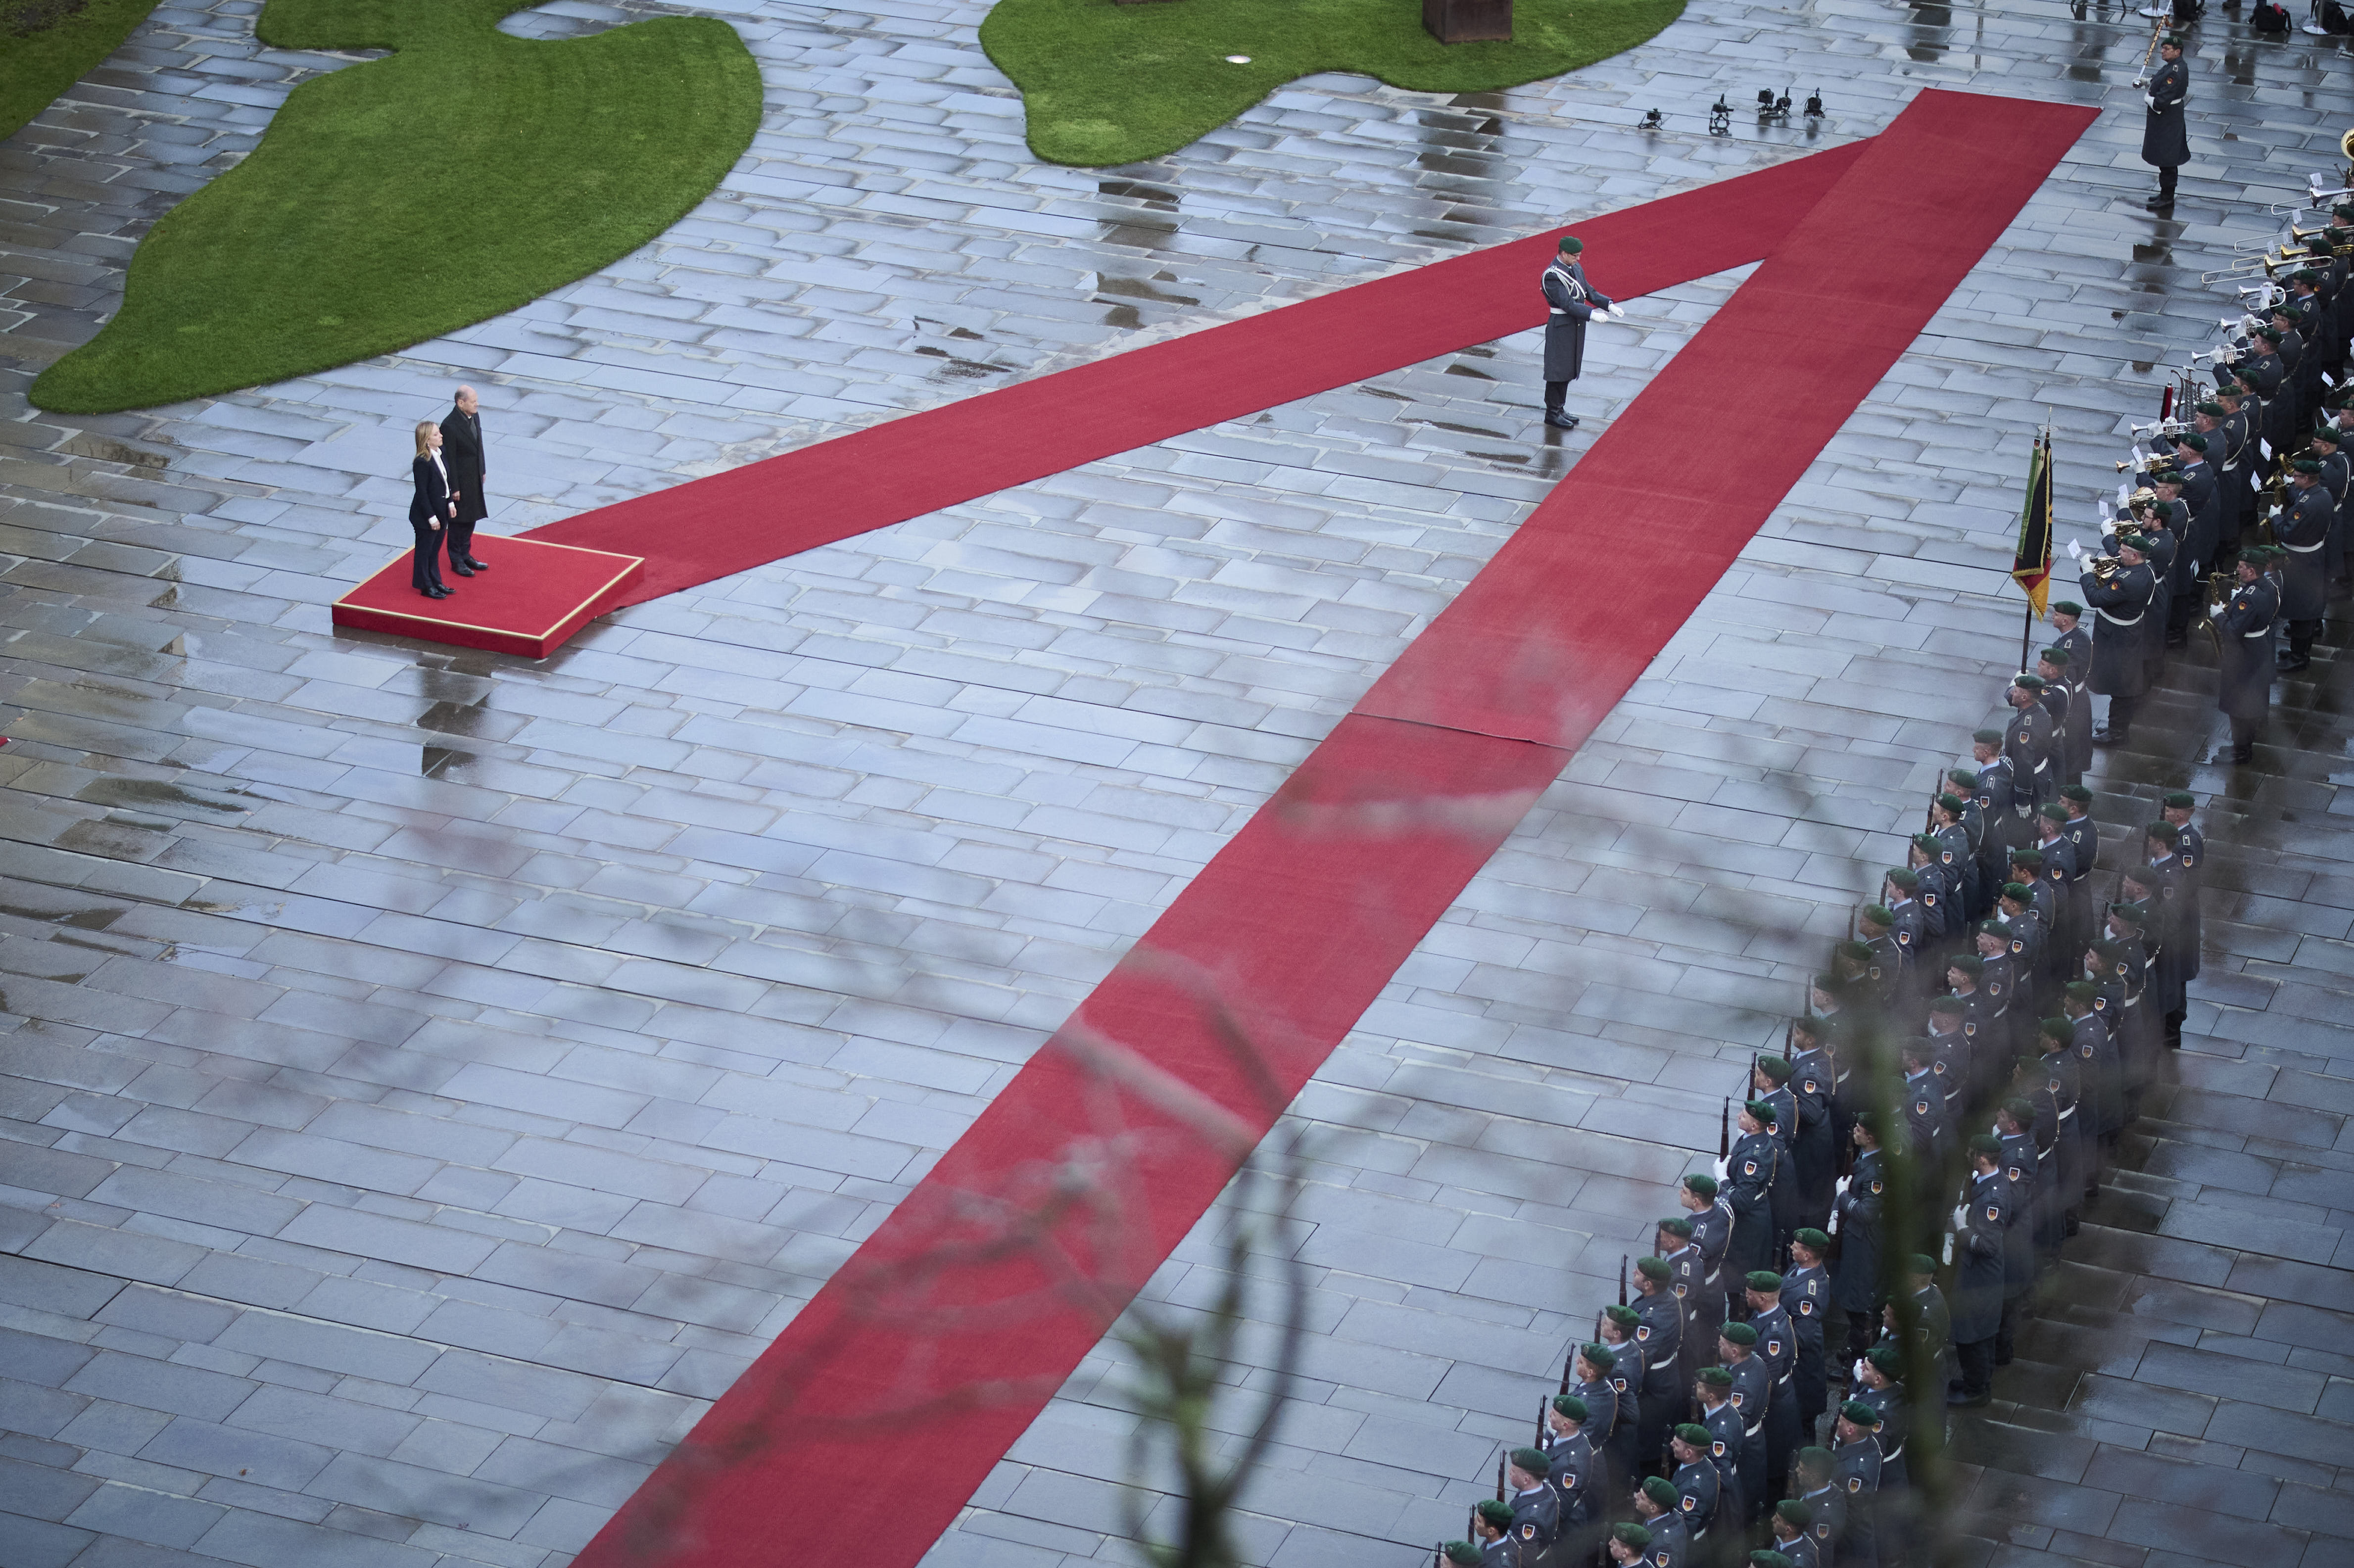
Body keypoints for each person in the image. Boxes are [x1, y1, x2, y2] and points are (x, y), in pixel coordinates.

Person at [2076, 532, 2156, 745]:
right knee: (2122, 682)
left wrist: (2087, 574)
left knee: (2122, 685)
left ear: (2134, 556)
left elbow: (2095, 599)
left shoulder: (2126, 582)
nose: (2118, 554)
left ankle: (2118, 734)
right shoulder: (2145, 570)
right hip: (2128, 631)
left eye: (2123, 552)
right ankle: (2116, 727)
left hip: (2118, 636)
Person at [1540, 235, 1614, 430]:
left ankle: (1560, 408)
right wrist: (1591, 314)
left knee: (1568, 368)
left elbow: (1587, 291)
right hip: (1561, 325)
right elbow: (1567, 304)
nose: (1578, 259)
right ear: (1563, 254)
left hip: (1574, 325)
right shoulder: (1553, 276)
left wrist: (1608, 304)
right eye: (1575, 256)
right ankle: (1552, 413)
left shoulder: (1575, 268)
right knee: (1558, 370)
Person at [2212, 547, 2277, 762]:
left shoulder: (2249, 599)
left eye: (2241, 568)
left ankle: (2241, 752)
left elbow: (2232, 632)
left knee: (2239, 705)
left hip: (2245, 654)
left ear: (2251, 572)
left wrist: (2220, 615)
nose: (2237, 570)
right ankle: (2243, 747)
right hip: (2259, 647)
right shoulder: (2269, 586)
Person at [438, 384, 491, 576]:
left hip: (474, 477)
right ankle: (456, 559)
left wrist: (482, 469)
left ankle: (465, 553)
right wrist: (455, 488)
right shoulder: (450, 425)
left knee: (471, 517)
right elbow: (449, 459)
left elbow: (479, 445)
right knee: (458, 521)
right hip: (460, 481)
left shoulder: (474, 416)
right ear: (461, 403)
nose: (477, 404)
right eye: (474, 401)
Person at [407, 420, 456, 599]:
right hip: (426, 516)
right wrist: (431, 517)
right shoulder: (422, 462)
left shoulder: (440, 455)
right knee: (424, 551)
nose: (441, 436)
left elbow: (446, 482)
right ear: (427, 440)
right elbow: (422, 492)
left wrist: (450, 503)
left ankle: (436, 581)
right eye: (436, 434)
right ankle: (425, 586)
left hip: (442, 511)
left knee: (434, 550)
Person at [2142, 35, 2189, 212]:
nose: (2162, 51)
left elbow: (2160, 102)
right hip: (2167, 120)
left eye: (2167, 49)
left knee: (2168, 160)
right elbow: (2160, 78)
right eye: (2163, 48)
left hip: (2168, 120)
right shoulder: (2173, 66)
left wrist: (2148, 98)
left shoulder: (2176, 72)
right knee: (2165, 159)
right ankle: (2164, 194)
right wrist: (2147, 82)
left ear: (2177, 52)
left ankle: (2167, 197)